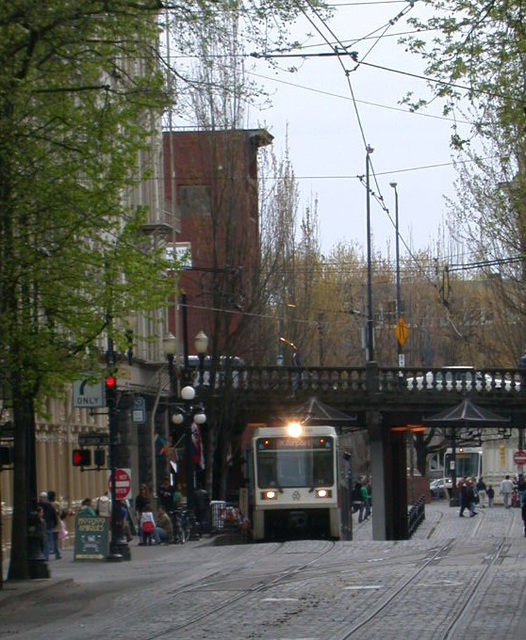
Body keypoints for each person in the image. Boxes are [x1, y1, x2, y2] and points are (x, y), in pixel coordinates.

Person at [37, 491, 58, 560]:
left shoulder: (38, 505)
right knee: (48, 541)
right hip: (49, 525)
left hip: (40, 525)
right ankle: (46, 556)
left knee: (41, 540)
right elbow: (54, 515)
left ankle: (42, 554)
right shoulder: (50, 506)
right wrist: (55, 523)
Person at [47, 490, 62, 559]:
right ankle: (57, 553)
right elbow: (60, 513)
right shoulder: (56, 504)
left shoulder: (46, 504)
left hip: (48, 523)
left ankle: (47, 553)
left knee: (48, 539)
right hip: (56, 523)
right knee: (55, 539)